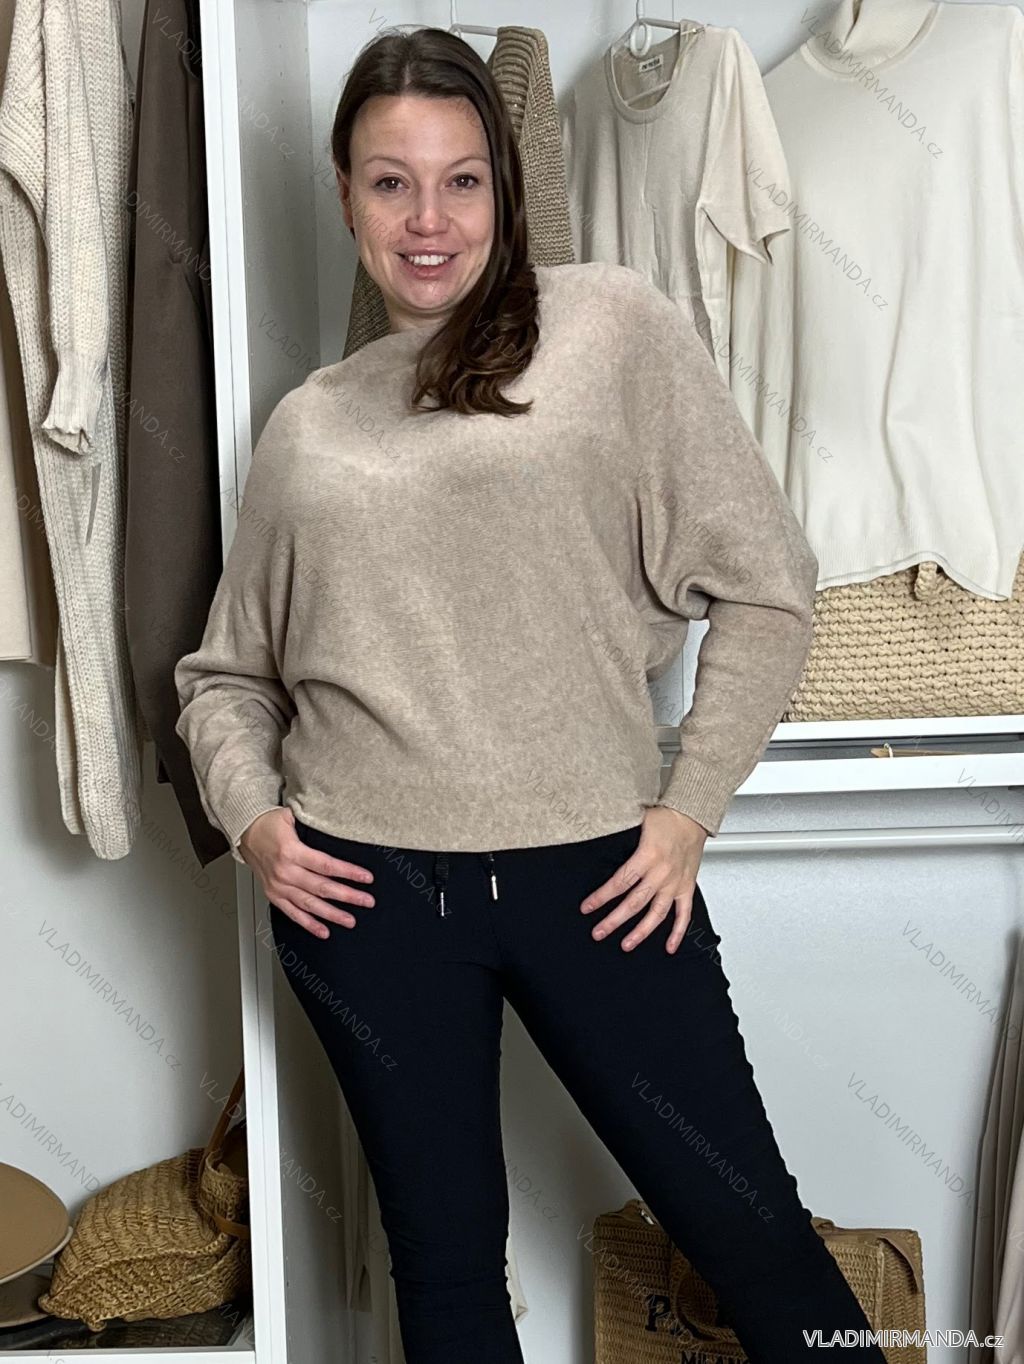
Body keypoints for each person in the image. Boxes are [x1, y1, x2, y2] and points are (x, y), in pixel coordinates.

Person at [174, 26, 888, 1364]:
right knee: (445, 1276)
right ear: (345, 195)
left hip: (599, 879)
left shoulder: (609, 327)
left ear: (503, 188)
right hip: (368, 900)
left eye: (461, 181)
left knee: (752, 1238)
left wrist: (687, 810)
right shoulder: (308, 423)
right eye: (391, 182)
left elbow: (769, 584)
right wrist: (258, 821)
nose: (428, 220)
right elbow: (225, 676)